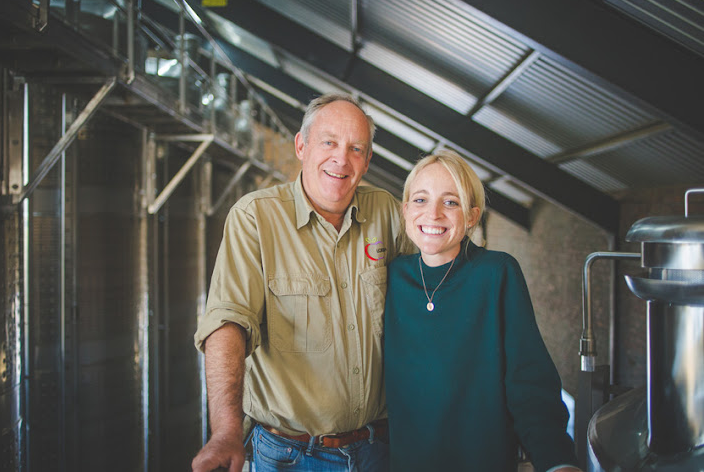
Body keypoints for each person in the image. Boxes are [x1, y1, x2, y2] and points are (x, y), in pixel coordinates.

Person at [191, 93, 401, 472]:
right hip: (289, 456)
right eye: (329, 142)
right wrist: (226, 429)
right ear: (301, 146)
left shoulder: (387, 213)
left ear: (368, 161)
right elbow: (228, 322)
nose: (342, 158)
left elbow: (435, 297)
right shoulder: (255, 218)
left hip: (378, 450)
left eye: (356, 148)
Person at [384, 150, 581, 472]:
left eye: (451, 202)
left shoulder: (497, 273)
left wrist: (558, 461)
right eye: (420, 200)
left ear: (472, 216)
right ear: (405, 210)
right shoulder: (390, 276)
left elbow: (529, 380)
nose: (432, 214)